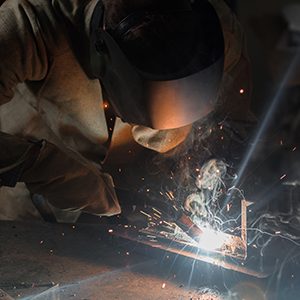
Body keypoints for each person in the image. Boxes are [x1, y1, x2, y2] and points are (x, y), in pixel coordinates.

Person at [0, 0, 253, 221]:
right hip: (28, 210)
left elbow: (235, 129)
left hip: (136, 217)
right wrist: (40, 165)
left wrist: (215, 170)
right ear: (102, 56)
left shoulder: (216, 36)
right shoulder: (34, 24)